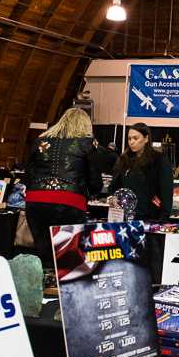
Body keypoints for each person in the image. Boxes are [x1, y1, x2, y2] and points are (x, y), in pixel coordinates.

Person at [25, 108, 105, 266]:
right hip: (70, 202)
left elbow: (27, 175)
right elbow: (95, 181)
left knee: (44, 253)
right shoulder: (87, 143)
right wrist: (91, 193)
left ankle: (46, 285)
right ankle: (62, 288)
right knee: (67, 257)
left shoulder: (40, 141)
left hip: (36, 202)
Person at [109, 123, 174, 221]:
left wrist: (164, 218)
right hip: (123, 216)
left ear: (146, 139)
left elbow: (166, 191)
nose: (131, 142)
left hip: (150, 217)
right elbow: (114, 186)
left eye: (135, 138)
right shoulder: (123, 159)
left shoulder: (159, 160)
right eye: (129, 139)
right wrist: (112, 198)